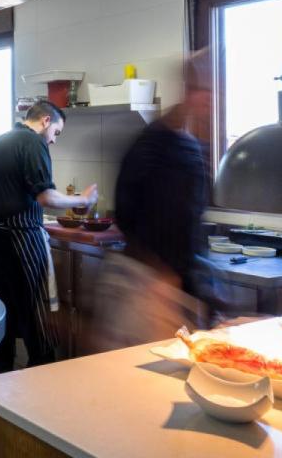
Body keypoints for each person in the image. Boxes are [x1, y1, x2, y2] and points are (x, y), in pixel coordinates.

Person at [84, 51, 220, 353]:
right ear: (191, 91)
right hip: (147, 289)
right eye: (207, 91)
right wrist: (159, 274)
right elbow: (128, 214)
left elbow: (189, 218)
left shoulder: (191, 146)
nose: (211, 101)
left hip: (176, 286)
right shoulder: (152, 145)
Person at [0, 100, 97, 373]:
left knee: (2, 311)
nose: (53, 140)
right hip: (19, 238)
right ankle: (43, 376)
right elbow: (46, 197)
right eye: (56, 132)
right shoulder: (33, 144)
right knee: (37, 313)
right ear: (45, 121)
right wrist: (83, 198)